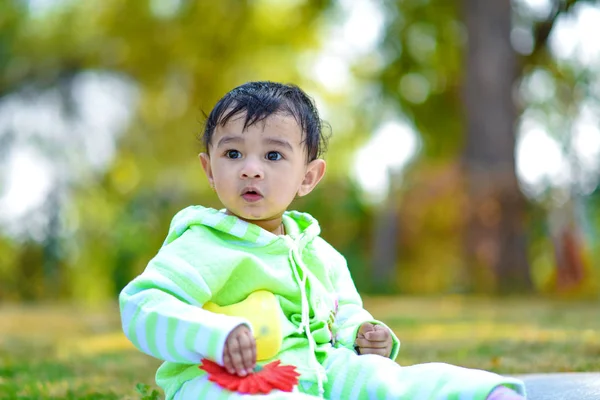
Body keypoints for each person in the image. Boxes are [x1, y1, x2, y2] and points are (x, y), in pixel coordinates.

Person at [119, 81, 527, 399]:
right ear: (209, 169)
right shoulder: (203, 244)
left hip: (318, 367)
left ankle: (478, 394)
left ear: (308, 177)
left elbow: (342, 312)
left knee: (379, 380)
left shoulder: (319, 253)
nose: (251, 170)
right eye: (233, 154)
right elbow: (143, 306)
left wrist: (363, 333)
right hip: (226, 380)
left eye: (273, 156)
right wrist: (213, 335)